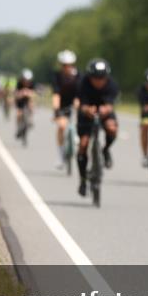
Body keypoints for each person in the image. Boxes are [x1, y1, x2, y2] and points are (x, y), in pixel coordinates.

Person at [76, 58, 119, 196]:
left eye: (102, 78)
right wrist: (87, 110)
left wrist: (106, 110)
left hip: (104, 112)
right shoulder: (82, 83)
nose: (99, 81)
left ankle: (105, 149)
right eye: (95, 78)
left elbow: (111, 104)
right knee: (83, 144)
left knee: (112, 128)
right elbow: (81, 104)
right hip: (86, 113)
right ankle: (83, 180)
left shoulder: (112, 84)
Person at [52, 50, 80, 168]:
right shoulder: (57, 77)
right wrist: (56, 109)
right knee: (62, 126)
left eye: (69, 65)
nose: (67, 68)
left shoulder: (78, 75)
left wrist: (78, 101)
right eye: (64, 65)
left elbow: (81, 91)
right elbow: (56, 94)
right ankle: (61, 157)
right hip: (63, 104)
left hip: (77, 101)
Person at [14, 68, 36, 138]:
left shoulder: (32, 84)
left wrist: (28, 93)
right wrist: (21, 93)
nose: (26, 82)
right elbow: (16, 93)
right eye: (25, 80)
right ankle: (18, 128)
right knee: (19, 114)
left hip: (28, 100)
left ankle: (30, 119)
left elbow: (34, 93)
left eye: (28, 80)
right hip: (20, 100)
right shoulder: (19, 83)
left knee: (31, 103)